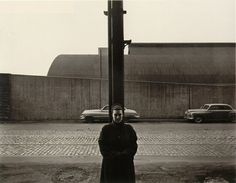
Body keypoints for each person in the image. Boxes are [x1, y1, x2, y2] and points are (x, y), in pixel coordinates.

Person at [98, 104, 138, 183]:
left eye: (119, 115)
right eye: (115, 115)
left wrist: (125, 154)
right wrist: (115, 155)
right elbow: (103, 146)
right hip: (110, 165)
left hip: (125, 165)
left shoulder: (129, 129)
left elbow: (133, 145)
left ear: (123, 115)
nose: (117, 117)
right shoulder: (106, 129)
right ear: (112, 115)